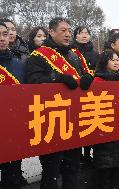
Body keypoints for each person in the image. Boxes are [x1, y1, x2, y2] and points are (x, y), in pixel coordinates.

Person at [25, 17, 93, 189]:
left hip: (73, 120)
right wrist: (57, 78)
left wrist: (86, 79)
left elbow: (81, 76)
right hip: (51, 123)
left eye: (69, 30)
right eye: (63, 30)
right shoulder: (38, 56)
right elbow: (32, 82)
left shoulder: (73, 55)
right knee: (51, 173)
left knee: (73, 171)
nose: (68, 34)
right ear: (51, 32)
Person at [91, 50, 119, 189]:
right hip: (105, 128)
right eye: (112, 60)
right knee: (105, 166)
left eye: (117, 60)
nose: (116, 62)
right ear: (104, 62)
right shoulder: (96, 81)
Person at [0, 21, 25, 189]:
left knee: (13, 177)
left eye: (4, 34)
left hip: (12, 131)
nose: (1, 38)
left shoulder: (18, 65)